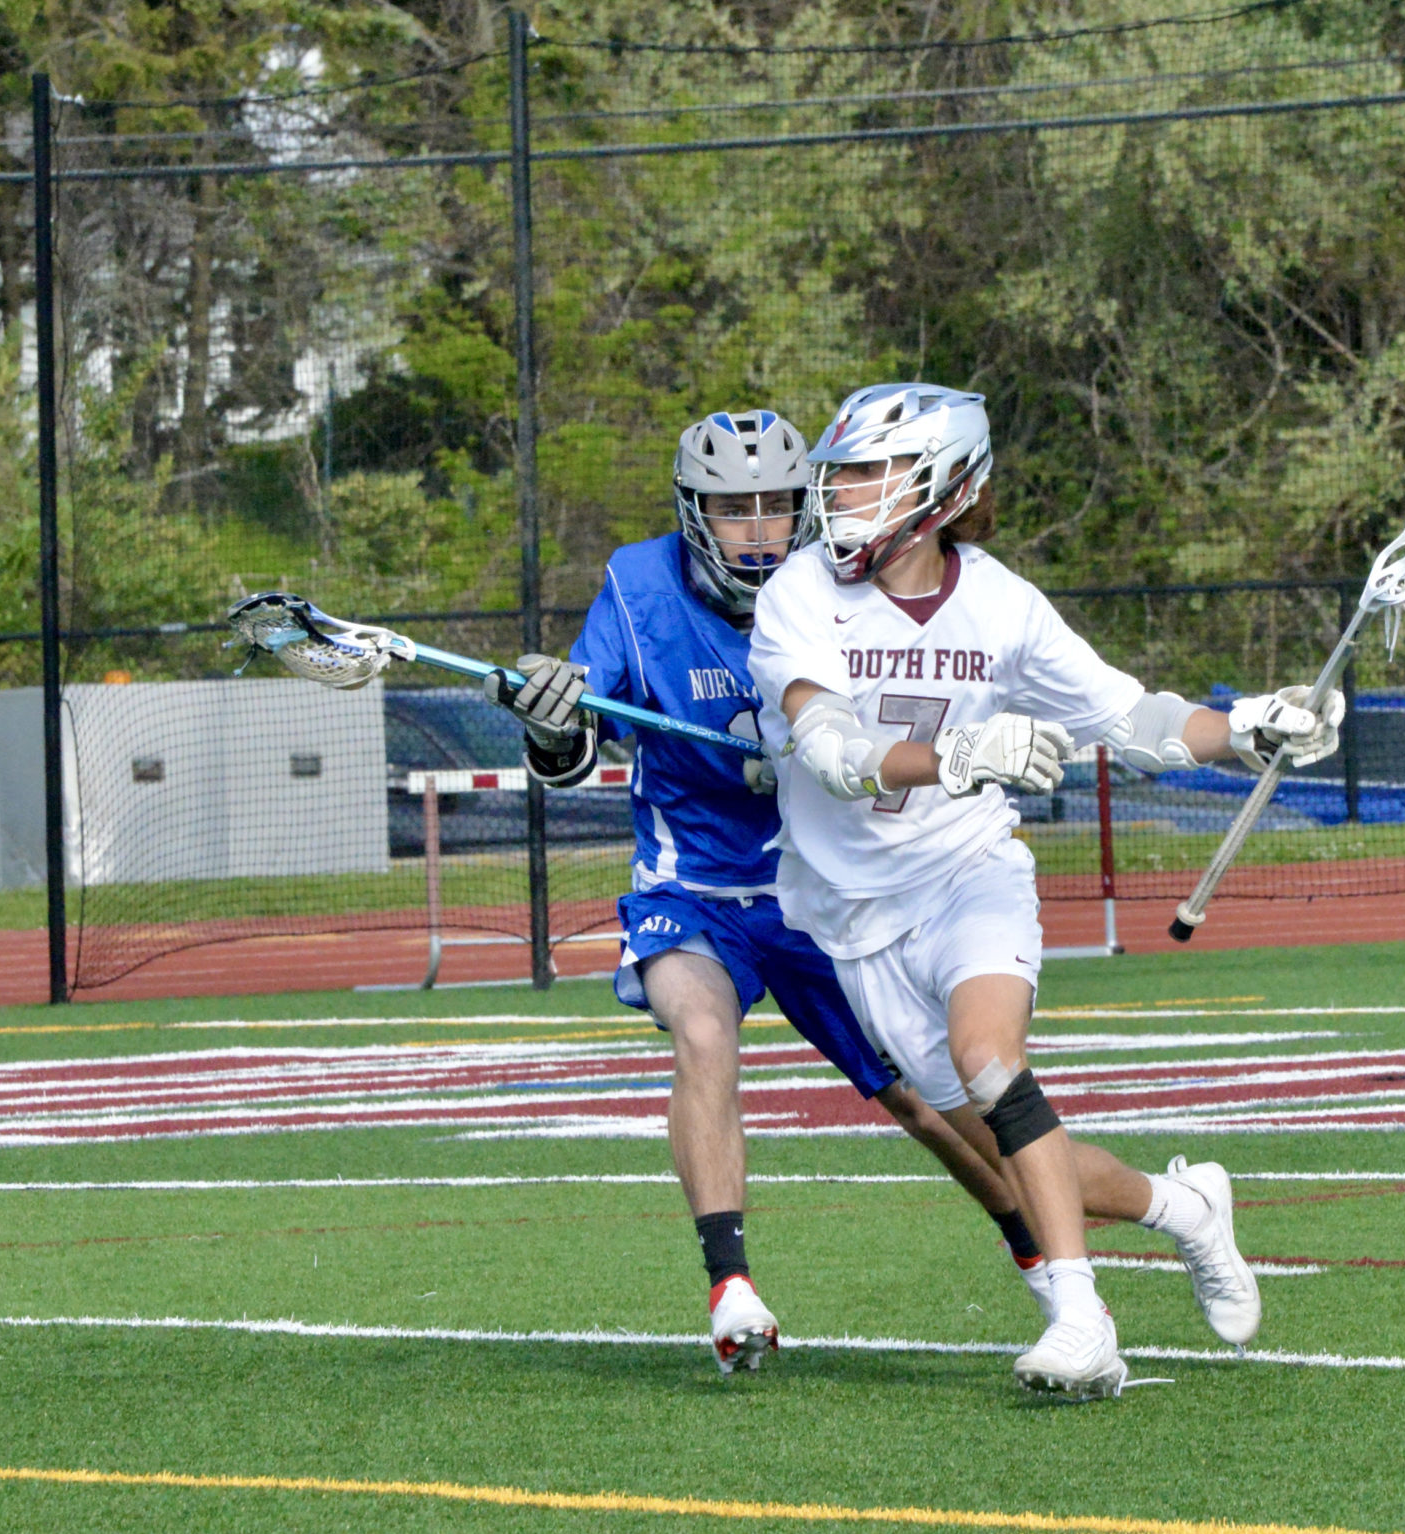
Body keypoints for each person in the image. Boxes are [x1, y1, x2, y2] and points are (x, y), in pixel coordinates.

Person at [486, 410, 1217, 1379]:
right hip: (696, 884)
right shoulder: (639, 583)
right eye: (730, 507)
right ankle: (730, 1283)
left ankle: (1088, 1235)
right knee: (702, 1033)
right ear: (691, 509)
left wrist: (805, 759)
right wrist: (549, 725)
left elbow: (863, 738)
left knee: (939, 1107)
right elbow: (576, 748)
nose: (755, 525)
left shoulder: (829, 581)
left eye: (774, 504)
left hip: (830, 888)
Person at [749, 381, 1342, 1398]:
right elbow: (834, 748)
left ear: (939, 483)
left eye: (863, 473)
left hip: (968, 872)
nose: (837, 493)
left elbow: (1136, 720)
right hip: (852, 917)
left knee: (992, 1063)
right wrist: (960, 749)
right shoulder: (798, 592)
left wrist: (1248, 727)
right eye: (836, 474)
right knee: (1017, 1140)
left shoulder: (1002, 603)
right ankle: (1182, 1204)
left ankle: (1081, 1317)